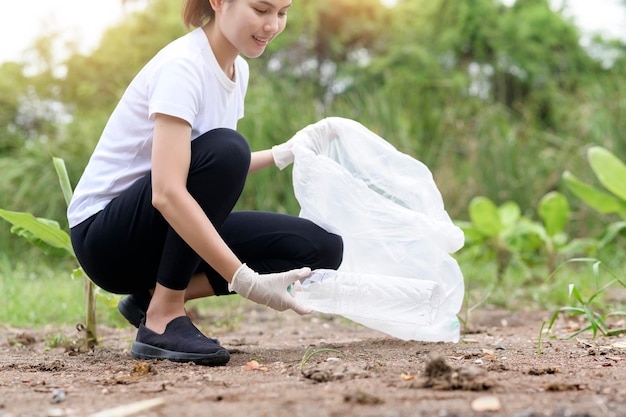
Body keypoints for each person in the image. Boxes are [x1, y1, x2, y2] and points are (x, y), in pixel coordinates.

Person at [67, 0, 344, 367]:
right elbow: (168, 190)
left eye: (282, 12)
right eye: (261, 10)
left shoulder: (236, 70)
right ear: (218, 2)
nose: (273, 25)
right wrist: (242, 278)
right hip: (107, 238)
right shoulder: (183, 66)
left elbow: (207, 169)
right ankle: (163, 316)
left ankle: (151, 298)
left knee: (321, 248)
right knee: (229, 148)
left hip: (159, 231)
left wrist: (283, 153)